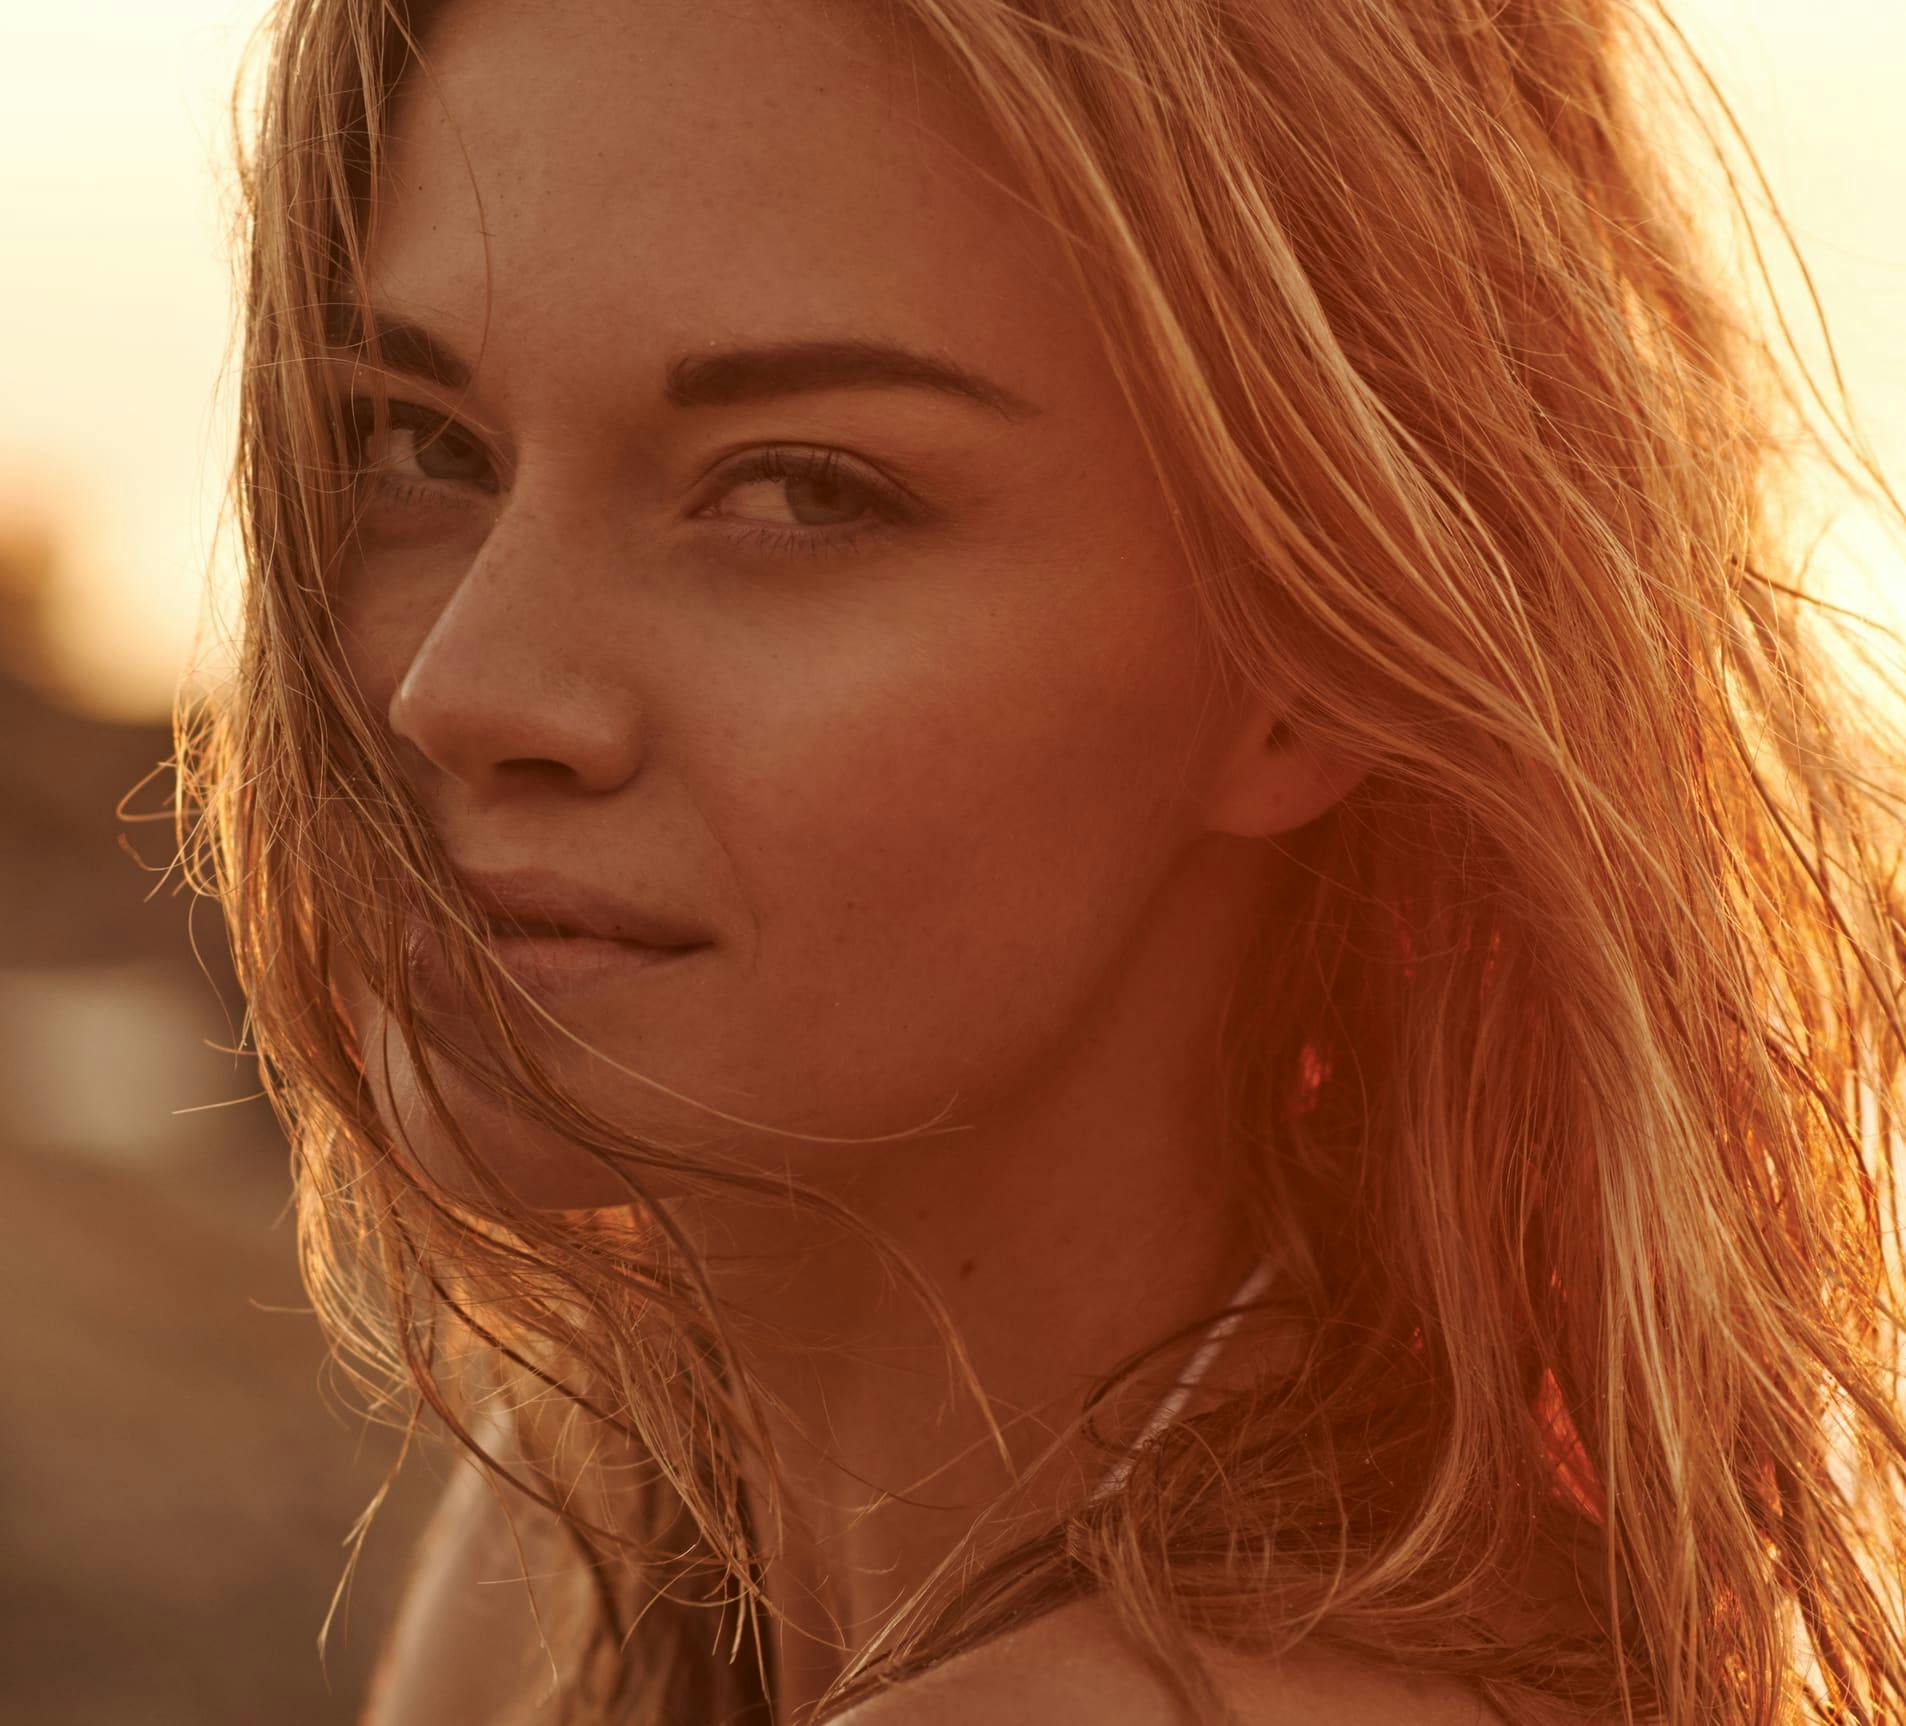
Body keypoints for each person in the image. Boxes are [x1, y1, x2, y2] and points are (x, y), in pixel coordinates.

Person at [181, 0, 1906, 1720]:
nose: (460, 688)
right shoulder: (589, 1515)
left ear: (1306, 658)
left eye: (801, 490)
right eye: (419, 442)